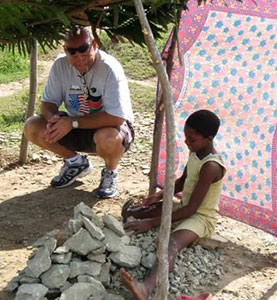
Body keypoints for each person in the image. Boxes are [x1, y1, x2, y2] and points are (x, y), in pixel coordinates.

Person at [120, 109, 226, 300]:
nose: (187, 142)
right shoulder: (196, 153)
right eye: (186, 137)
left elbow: (193, 209)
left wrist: (153, 223)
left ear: (209, 138)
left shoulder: (211, 166)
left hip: (201, 217)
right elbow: (183, 180)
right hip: (185, 206)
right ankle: (137, 213)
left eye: (192, 139)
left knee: (171, 243)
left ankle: (146, 288)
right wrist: (159, 196)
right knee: (142, 211)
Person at [24, 26, 134, 199]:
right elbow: (47, 103)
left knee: (108, 139)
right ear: (65, 49)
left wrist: (72, 122)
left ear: (95, 45)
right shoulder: (60, 65)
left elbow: (117, 117)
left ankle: (110, 172)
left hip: (110, 127)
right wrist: (54, 119)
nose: (79, 58)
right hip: (76, 124)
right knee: (33, 126)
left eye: (84, 50)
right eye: (72, 52)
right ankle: (76, 163)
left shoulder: (109, 68)